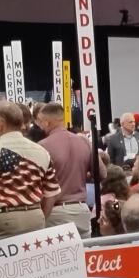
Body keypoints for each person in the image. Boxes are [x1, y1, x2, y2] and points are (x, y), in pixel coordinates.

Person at [0, 102, 61, 242]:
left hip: (2, 222)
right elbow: (52, 193)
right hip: (35, 216)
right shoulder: (42, 152)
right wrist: (41, 216)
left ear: (0, 124)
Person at [38, 102, 105, 238]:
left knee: (58, 257)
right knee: (83, 255)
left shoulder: (42, 146)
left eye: (40, 122)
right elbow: (102, 173)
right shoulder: (84, 142)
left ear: (46, 122)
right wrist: (81, 173)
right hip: (81, 209)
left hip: (55, 211)